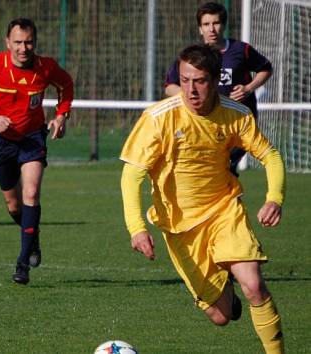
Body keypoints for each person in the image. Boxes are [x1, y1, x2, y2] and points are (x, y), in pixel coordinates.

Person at [121, 44, 285, 353]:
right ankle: (226, 294)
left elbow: (271, 156)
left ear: (214, 80)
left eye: (200, 81)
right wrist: (136, 227)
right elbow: (132, 175)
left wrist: (274, 197)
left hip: (224, 210)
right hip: (180, 227)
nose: (191, 90)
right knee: (220, 316)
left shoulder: (235, 115)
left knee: (254, 285)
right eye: (185, 80)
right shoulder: (158, 119)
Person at [0, 18, 74, 285]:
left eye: (29, 42)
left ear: (35, 42)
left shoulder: (46, 67)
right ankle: (32, 236)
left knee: (31, 193)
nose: (24, 48)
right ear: (7, 43)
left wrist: (61, 116)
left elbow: (65, 86)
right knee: (13, 206)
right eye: (18, 42)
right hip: (0, 142)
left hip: (33, 138)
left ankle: (22, 264)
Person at [164, 2, 273, 175]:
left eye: (216, 23)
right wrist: (191, 96)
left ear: (223, 25)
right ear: (200, 29)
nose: (211, 29)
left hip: (236, 123)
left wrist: (248, 88)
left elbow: (266, 68)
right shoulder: (192, 58)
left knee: (223, 170)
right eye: (206, 24)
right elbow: (170, 87)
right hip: (205, 124)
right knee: (214, 172)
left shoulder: (240, 50)